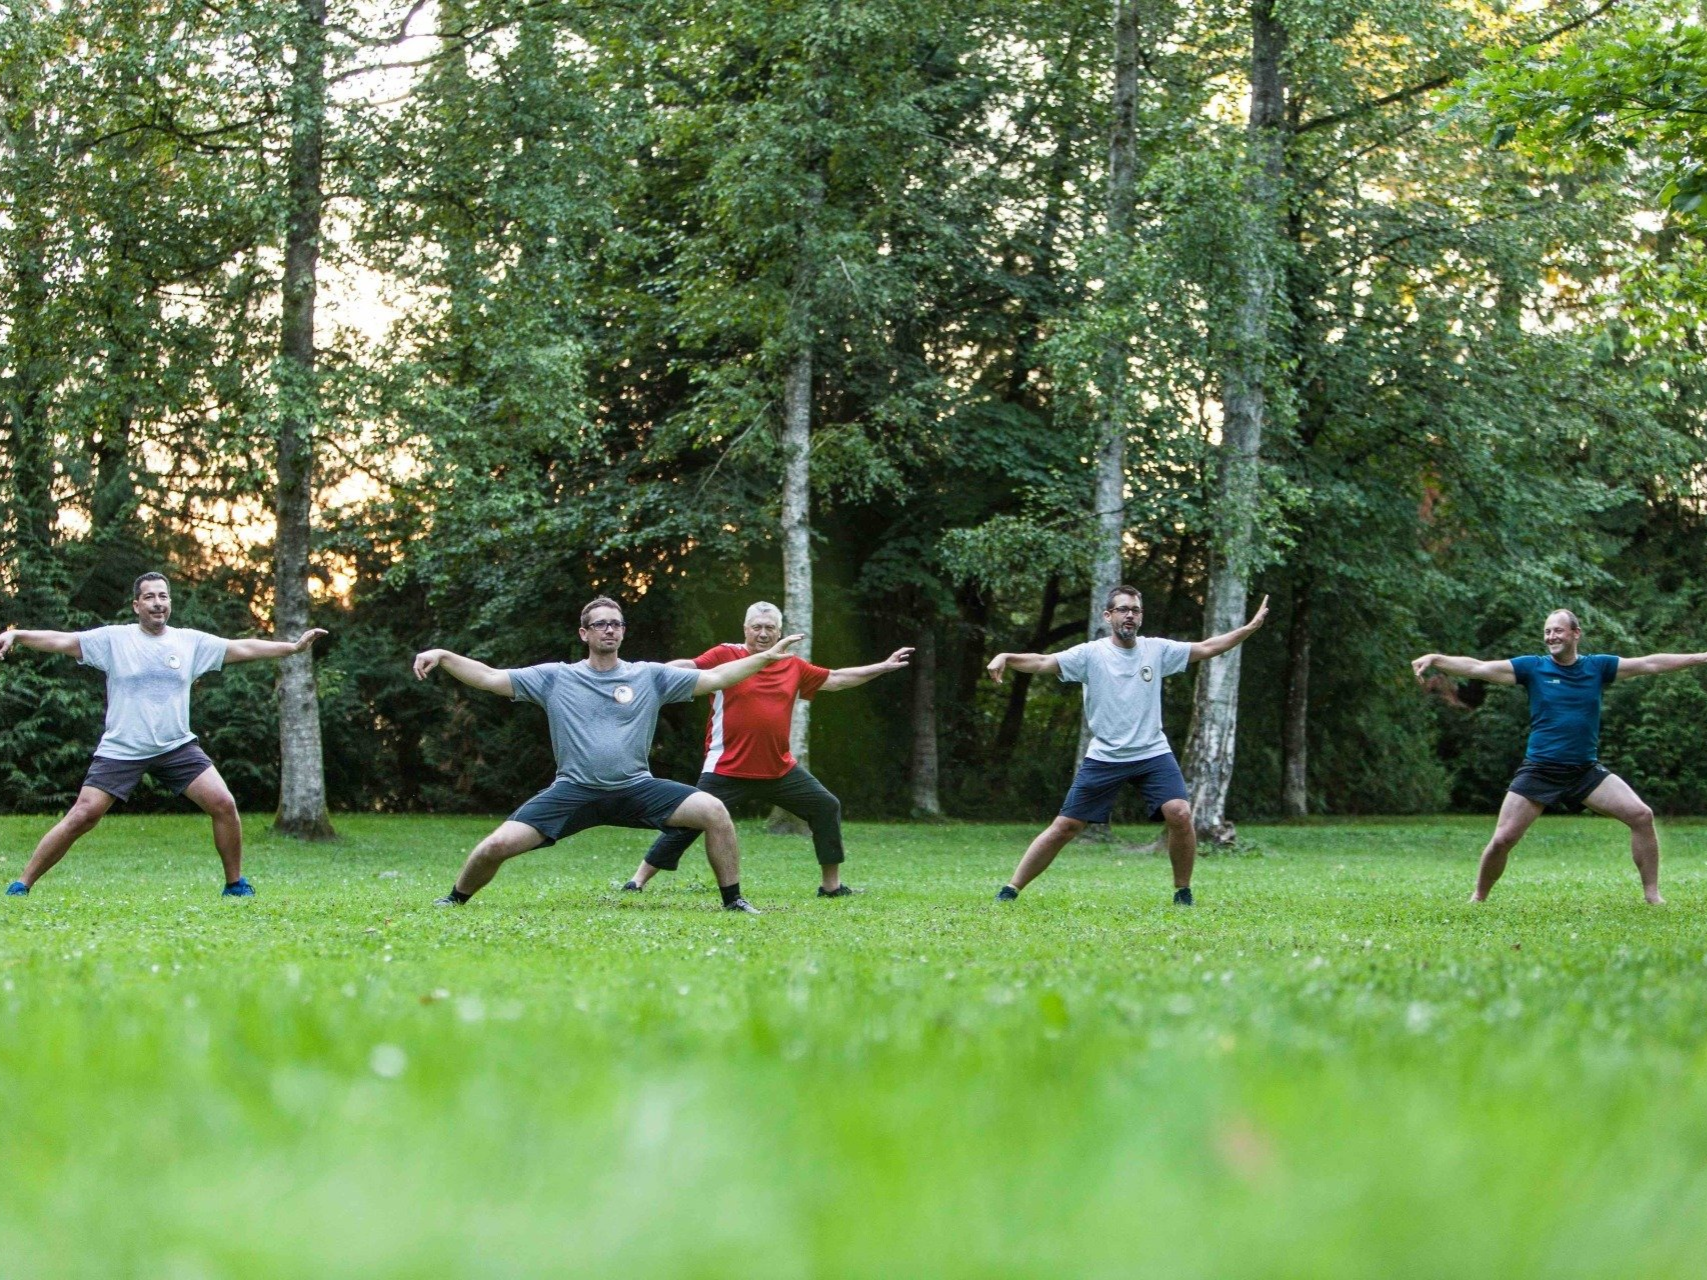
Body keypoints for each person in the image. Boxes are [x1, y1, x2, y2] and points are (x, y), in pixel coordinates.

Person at [416, 595, 803, 914]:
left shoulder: (649, 676)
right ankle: (454, 899)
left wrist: (763, 658)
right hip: (573, 790)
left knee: (714, 811)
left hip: (636, 788)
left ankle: (733, 900)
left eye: (616, 624)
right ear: (584, 633)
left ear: (623, 631)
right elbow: (488, 677)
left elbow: (716, 677)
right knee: (495, 846)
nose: (609, 629)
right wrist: (444, 655)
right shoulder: (555, 677)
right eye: (600, 624)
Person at [0, 571, 327, 897]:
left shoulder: (190, 642)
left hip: (175, 746)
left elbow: (240, 647)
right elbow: (63, 641)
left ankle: (235, 885)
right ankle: (22, 884)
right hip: (123, 748)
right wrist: (17, 635)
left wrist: (292, 648)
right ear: (136, 605)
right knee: (83, 815)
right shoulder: (114, 640)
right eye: (150, 597)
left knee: (223, 804)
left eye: (163, 596)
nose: (158, 603)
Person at [985, 584, 1268, 904]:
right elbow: (1041, 662)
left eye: (1135, 610)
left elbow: (1206, 647)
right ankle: (1011, 889)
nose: (1130, 615)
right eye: (1123, 609)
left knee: (1179, 813)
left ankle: (1183, 892)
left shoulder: (1157, 650)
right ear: (1108, 616)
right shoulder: (1090, 654)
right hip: (1105, 755)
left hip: (1152, 752)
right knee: (1066, 826)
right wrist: (1005, 657)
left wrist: (1249, 628)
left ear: (1141, 616)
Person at [621, 601, 912, 898]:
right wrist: (641, 675)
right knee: (691, 822)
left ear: (779, 632)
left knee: (826, 806)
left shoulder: (793, 666)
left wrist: (883, 666)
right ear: (745, 629)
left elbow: (836, 679)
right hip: (726, 768)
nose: (763, 633)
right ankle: (637, 881)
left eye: (770, 628)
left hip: (778, 770)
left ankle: (831, 886)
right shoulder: (726, 655)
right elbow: (689, 667)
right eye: (757, 627)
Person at [1412, 609, 1702, 904]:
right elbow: (1478, 667)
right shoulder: (1532, 668)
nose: (1551, 636)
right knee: (1503, 839)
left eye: (1558, 630)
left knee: (1641, 816)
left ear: (1576, 634)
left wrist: (1700, 657)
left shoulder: (1598, 667)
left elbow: (1649, 663)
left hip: (1584, 771)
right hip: (1540, 770)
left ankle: (1652, 896)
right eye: (1547, 631)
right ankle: (1478, 897)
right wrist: (1436, 659)